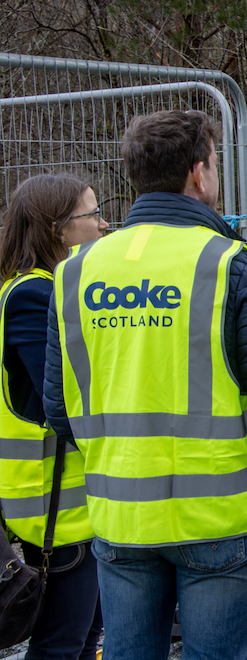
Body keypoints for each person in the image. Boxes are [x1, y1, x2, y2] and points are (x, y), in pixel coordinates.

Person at [42, 110, 247, 660]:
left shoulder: (74, 273)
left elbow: (57, 407)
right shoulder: (232, 265)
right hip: (221, 518)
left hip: (120, 516)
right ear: (199, 173)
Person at [0, 173, 105, 659]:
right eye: (92, 213)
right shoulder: (33, 295)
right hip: (57, 503)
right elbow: (58, 396)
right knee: (62, 641)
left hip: (72, 496)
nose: (102, 224)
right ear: (55, 228)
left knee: (84, 635)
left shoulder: (50, 287)